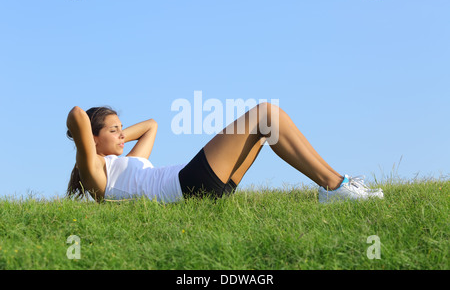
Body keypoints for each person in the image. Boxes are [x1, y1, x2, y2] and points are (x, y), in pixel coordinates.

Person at [66, 103, 383, 203]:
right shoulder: (95, 171)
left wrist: (114, 135)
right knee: (266, 114)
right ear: (91, 141)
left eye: (122, 129)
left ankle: (335, 186)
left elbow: (151, 125)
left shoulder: (126, 165)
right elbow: (78, 114)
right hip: (186, 185)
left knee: (264, 130)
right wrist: (88, 144)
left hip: (199, 187)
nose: (123, 135)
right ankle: (334, 186)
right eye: (114, 131)